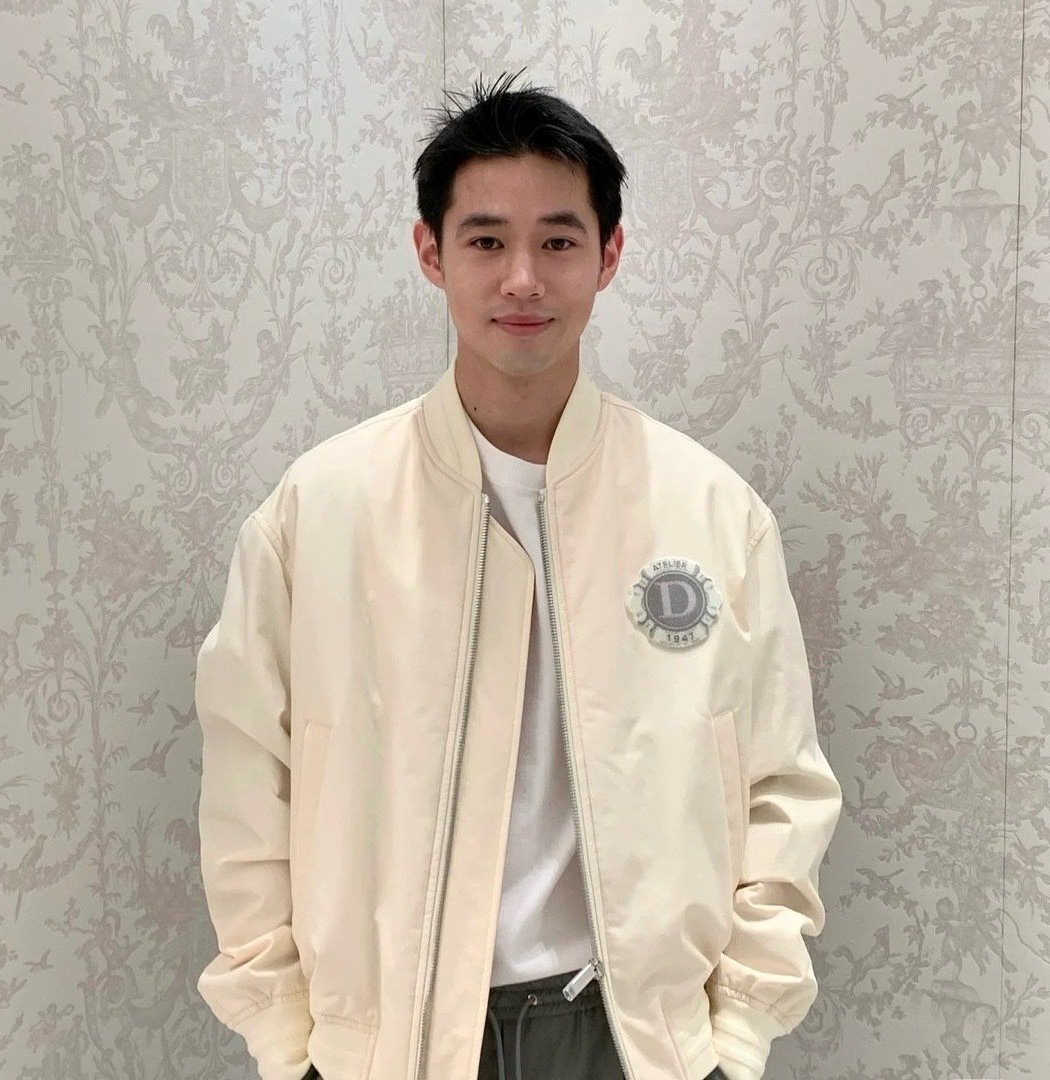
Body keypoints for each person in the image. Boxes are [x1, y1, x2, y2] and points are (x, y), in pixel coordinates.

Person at [194, 69, 843, 1080]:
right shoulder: (318, 512)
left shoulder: (711, 512)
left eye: (559, 241)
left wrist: (738, 1027)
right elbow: (247, 789)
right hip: (388, 1047)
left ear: (609, 254)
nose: (524, 280)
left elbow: (782, 786)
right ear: (432, 252)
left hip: (632, 1041)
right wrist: (288, 1037)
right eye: (488, 241)